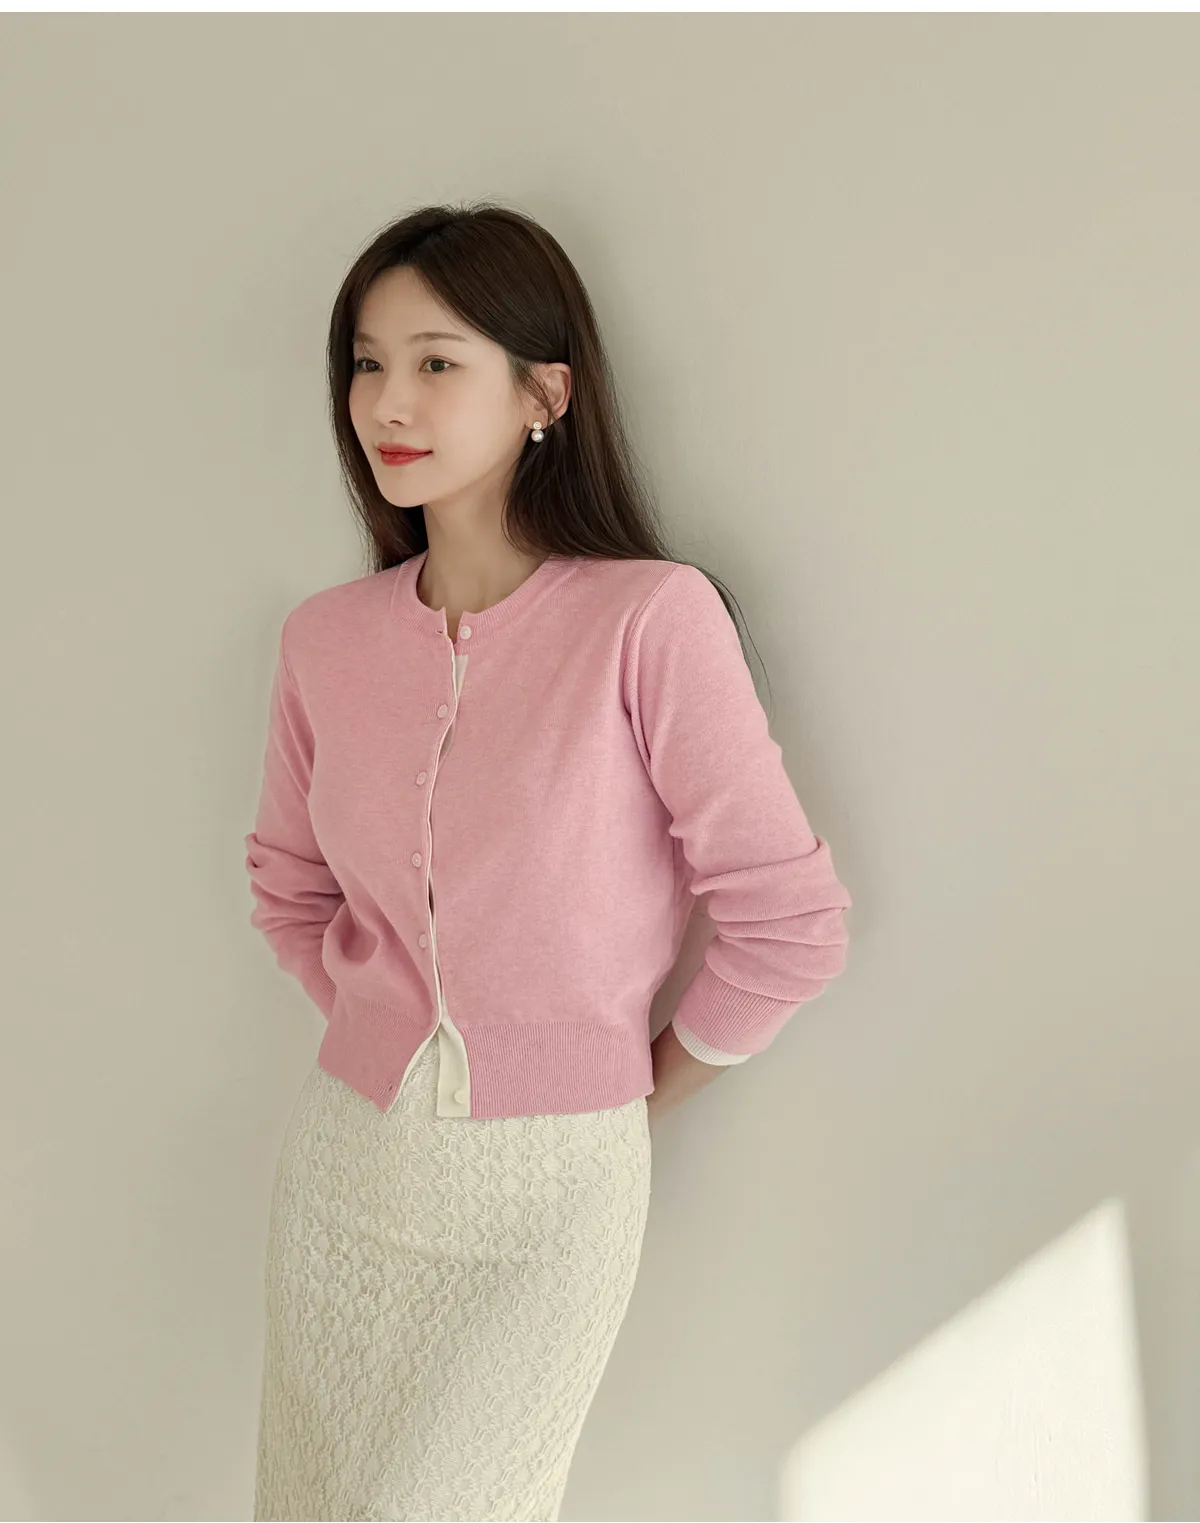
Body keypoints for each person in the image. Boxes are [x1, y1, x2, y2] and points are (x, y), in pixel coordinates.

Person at [243, 200, 853, 1522]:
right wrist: (391, 1035)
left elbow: (791, 922)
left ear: (545, 393)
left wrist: (617, 1091)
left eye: (437, 361)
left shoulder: (649, 619)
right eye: (366, 361)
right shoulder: (324, 640)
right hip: (346, 1173)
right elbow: (289, 887)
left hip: (554, 1195)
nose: (387, 401)